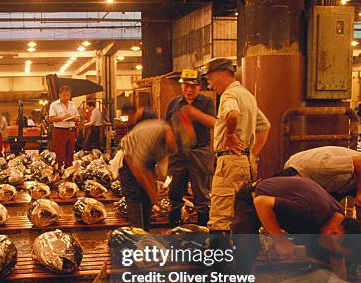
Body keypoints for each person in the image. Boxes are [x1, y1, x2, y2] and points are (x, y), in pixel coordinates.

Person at [232, 176, 360, 283]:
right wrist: (280, 240)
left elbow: (338, 264)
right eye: (337, 251)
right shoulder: (306, 212)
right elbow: (261, 202)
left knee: (322, 254)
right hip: (252, 198)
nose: (337, 254)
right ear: (335, 234)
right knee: (246, 247)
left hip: (285, 205)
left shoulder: (338, 222)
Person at [202, 58, 270, 237]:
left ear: (223, 74)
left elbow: (232, 115)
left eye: (210, 79)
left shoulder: (229, 95)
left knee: (221, 218)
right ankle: (241, 261)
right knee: (242, 215)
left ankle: (220, 263)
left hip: (230, 162)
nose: (209, 85)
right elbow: (264, 126)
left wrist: (230, 136)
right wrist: (251, 154)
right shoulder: (247, 95)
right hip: (244, 162)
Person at [165, 69, 216, 227]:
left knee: (202, 195)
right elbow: (166, 126)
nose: (189, 89)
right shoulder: (174, 103)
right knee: (174, 193)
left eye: (193, 86)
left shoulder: (207, 103)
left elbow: (215, 123)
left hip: (199, 152)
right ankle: (175, 230)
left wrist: (195, 114)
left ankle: (203, 234)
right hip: (177, 154)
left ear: (199, 87)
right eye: (185, 85)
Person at [111, 119, 180, 231]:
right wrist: (151, 190)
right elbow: (137, 167)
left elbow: (159, 170)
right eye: (175, 140)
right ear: (171, 131)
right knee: (134, 199)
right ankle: (137, 237)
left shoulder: (168, 143)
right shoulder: (154, 132)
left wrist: (158, 188)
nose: (174, 144)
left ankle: (145, 233)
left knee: (147, 200)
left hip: (144, 163)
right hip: (127, 161)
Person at [279, 146, 361, 206]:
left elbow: (359, 161)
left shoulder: (318, 165)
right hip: (339, 185)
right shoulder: (288, 169)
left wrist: (360, 193)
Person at [49, 85, 80, 166]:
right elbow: (51, 118)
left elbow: (77, 117)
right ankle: (59, 174)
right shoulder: (54, 105)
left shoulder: (72, 104)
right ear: (59, 95)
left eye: (68, 95)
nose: (66, 97)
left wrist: (72, 118)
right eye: (64, 95)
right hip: (59, 131)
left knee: (70, 153)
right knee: (60, 154)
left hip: (71, 131)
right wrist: (63, 117)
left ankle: (68, 173)